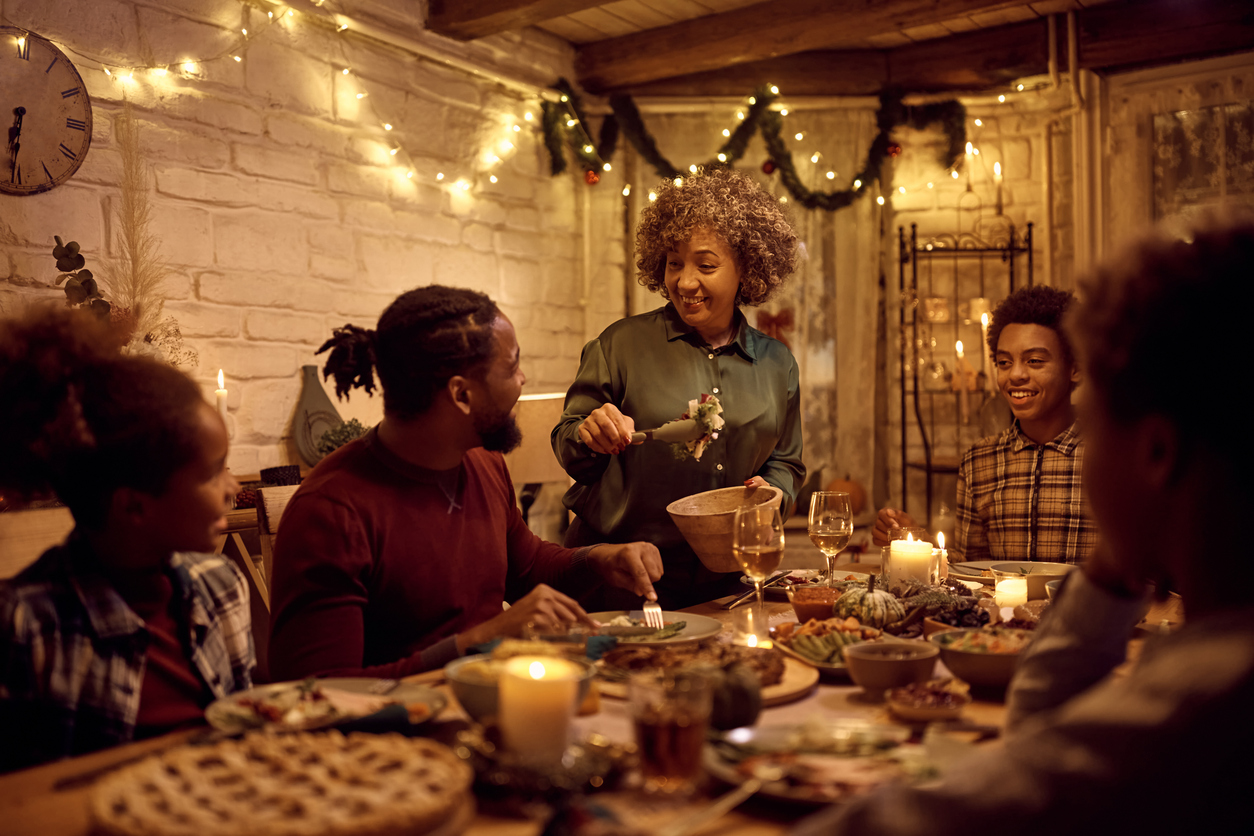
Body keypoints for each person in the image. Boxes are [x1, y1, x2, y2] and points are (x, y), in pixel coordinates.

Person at [794, 215, 1254, 835]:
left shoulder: (1187, 710)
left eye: (1100, 422)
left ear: (1155, 453)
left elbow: (939, 808)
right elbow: (1043, 728)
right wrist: (1120, 560)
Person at [267, 285, 663, 681]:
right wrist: (483, 639)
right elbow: (316, 691)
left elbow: (526, 569)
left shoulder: (482, 460)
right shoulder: (332, 510)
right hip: (391, 736)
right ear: (461, 393)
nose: (522, 379)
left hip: (488, 709)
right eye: (511, 367)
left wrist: (600, 560)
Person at [0, 308, 252, 773]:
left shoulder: (222, 586)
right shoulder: (25, 624)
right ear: (134, 507)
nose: (233, 486)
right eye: (213, 472)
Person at [551, 168, 806, 610]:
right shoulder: (620, 344)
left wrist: (775, 493)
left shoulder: (776, 362)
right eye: (674, 263)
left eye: (706, 265)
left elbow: (786, 460)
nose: (685, 282)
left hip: (726, 580)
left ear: (746, 267)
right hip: (624, 577)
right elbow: (570, 441)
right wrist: (588, 433)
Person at [872, 286, 1097, 564]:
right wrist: (915, 541)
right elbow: (974, 568)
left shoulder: (1113, 455)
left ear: (1075, 368)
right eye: (1004, 362)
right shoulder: (980, 462)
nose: (1015, 375)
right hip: (1006, 610)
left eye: (1034, 361)